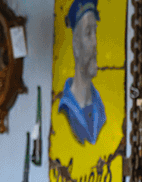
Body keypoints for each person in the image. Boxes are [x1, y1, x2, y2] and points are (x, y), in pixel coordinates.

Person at [58, 0, 105, 145]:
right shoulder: (63, 109)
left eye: (95, 32)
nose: (95, 42)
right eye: (88, 33)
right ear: (76, 44)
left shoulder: (100, 108)